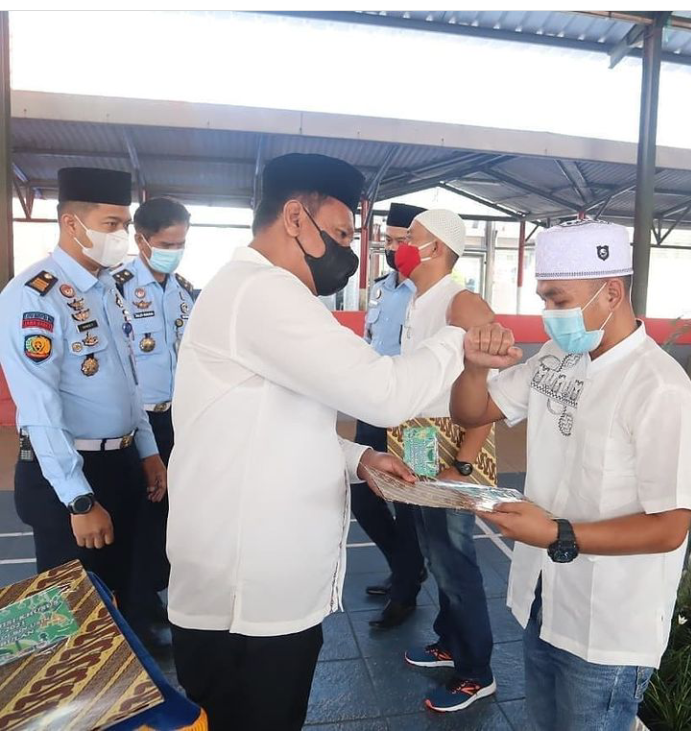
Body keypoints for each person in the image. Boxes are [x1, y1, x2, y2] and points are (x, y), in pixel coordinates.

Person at [166, 153, 477, 731]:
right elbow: (385, 392)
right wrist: (463, 330)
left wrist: (359, 457)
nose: (348, 250)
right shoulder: (263, 293)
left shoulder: (260, 292)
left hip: (258, 594)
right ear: (293, 218)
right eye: (339, 233)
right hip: (247, 604)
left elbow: (274, 423)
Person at [450, 219, 691, 730]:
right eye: (544, 298)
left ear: (611, 292)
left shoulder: (661, 391)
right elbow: (472, 412)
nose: (548, 314)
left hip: (607, 626)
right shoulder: (559, 356)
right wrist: (475, 367)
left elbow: (668, 528)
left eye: (556, 299)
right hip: (546, 596)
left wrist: (556, 533)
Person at [0, 167, 166, 617]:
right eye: (111, 225)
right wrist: (79, 498)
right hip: (70, 474)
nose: (123, 237)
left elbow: (129, 382)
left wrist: (147, 451)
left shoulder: (107, 288)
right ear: (72, 224)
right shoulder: (36, 295)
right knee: (74, 617)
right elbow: (39, 406)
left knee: (122, 599)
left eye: (125, 226)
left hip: (121, 464)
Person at [388, 208, 498, 712]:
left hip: (454, 447)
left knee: (456, 561)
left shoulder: (462, 300)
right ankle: (450, 640)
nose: (400, 245)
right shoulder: (418, 298)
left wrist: (467, 464)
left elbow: (490, 386)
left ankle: (477, 671)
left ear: (437, 247)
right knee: (434, 551)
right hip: (418, 439)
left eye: (412, 237)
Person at [111, 197, 194, 635]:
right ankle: (135, 613)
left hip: (175, 420)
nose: (175, 249)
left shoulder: (182, 291)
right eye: (167, 242)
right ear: (141, 240)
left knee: (166, 517)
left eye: (181, 242)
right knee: (142, 516)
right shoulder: (116, 286)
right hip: (135, 424)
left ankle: (151, 597)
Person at [353, 202, 429, 629]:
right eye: (391, 239)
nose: (395, 248)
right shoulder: (381, 287)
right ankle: (407, 568)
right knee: (364, 497)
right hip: (373, 407)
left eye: (404, 240)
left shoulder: (431, 296)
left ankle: (405, 591)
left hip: (414, 417)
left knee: (410, 505)